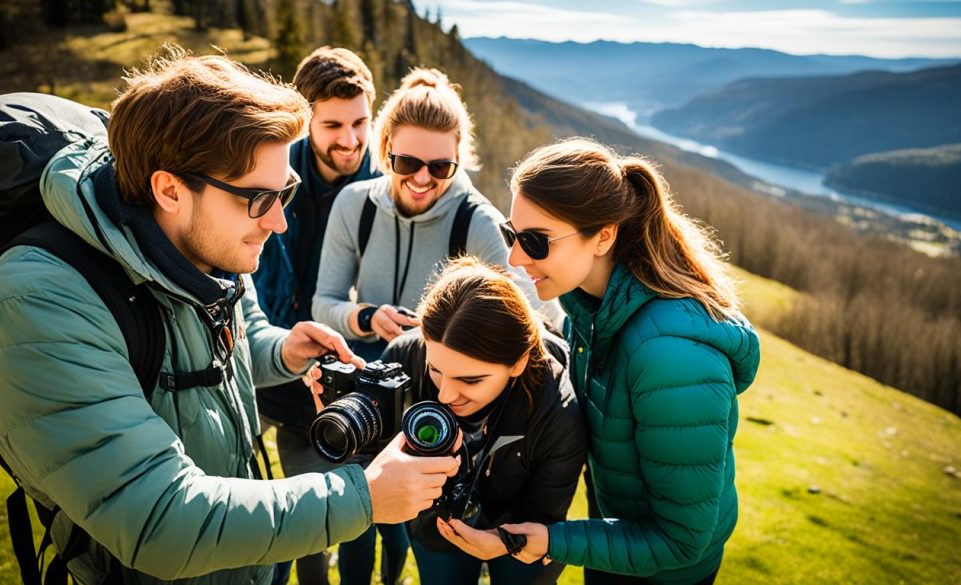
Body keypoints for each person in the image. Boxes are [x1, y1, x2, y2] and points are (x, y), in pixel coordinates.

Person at [0, 48, 459, 585]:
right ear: (169, 189)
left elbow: (236, 339)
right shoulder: (37, 305)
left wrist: (283, 350)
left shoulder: (203, 245)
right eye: (259, 199)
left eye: (285, 192)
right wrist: (363, 497)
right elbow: (159, 520)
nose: (279, 223)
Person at [452, 138, 761, 584]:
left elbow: (681, 540)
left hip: (665, 572)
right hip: (615, 548)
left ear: (604, 236)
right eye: (511, 235)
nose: (516, 258)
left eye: (536, 242)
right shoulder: (587, 311)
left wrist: (552, 541)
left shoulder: (672, 359)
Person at [311, 257, 587, 585]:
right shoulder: (404, 358)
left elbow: (544, 517)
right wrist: (346, 425)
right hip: (436, 525)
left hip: (522, 527)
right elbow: (372, 456)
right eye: (436, 371)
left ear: (518, 362)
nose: (445, 395)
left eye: (470, 380)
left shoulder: (558, 409)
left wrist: (505, 542)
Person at [312, 67, 562, 366]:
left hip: (445, 391)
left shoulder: (477, 222)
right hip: (369, 381)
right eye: (407, 163)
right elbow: (324, 302)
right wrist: (367, 318)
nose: (421, 178)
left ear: (459, 159)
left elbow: (540, 322)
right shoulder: (355, 205)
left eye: (440, 167)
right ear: (388, 147)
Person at [250, 46, 382, 585]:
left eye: (360, 123)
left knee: (368, 519)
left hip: (366, 380)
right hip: (284, 373)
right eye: (332, 125)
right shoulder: (275, 181)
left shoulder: (390, 186)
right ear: (305, 121)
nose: (349, 140)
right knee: (303, 516)